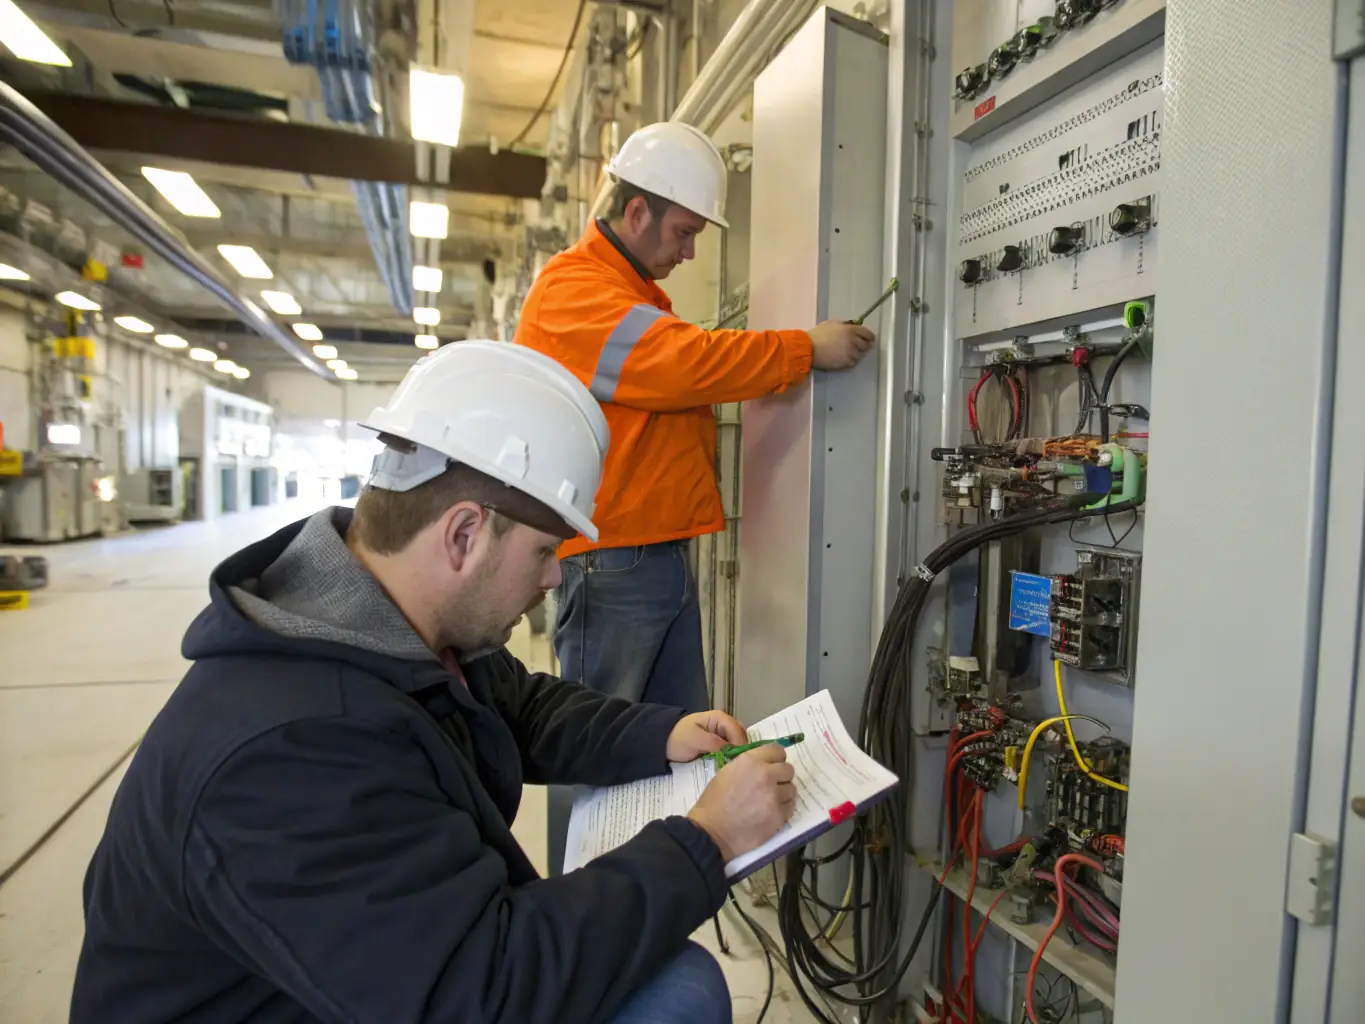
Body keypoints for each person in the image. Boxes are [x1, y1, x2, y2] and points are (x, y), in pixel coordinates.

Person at [70, 341, 797, 1024]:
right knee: (680, 993)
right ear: (462, 534)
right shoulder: (290, 754)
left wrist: (660, 733)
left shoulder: (392, 627)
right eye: (545, 551)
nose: (553, 577)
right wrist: (707, 839)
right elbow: (473, 990)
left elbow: (520, 707)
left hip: (357, 987)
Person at [515, 120, 875, 872]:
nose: (689, 252)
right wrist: (805, 349)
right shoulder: (575, 290)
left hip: (654, 557)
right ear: (637, 210)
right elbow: (682, 365)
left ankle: (652, 897)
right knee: (593, 749)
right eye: (683, 231)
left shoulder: (630, 293)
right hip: (611, 563)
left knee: (679, 746)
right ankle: (571, 915)